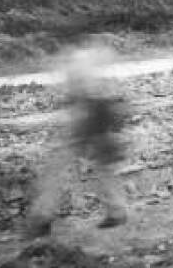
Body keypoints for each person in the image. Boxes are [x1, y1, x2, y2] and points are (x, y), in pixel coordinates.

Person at [26, 45, 128, 237]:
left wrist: (78, 114)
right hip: (91, 121)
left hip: (85, 120)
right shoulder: (84, 56)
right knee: (101, 168)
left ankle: (42, 218)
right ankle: (117, 211)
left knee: (57, 168)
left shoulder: (78, 59)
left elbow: (85, 93)